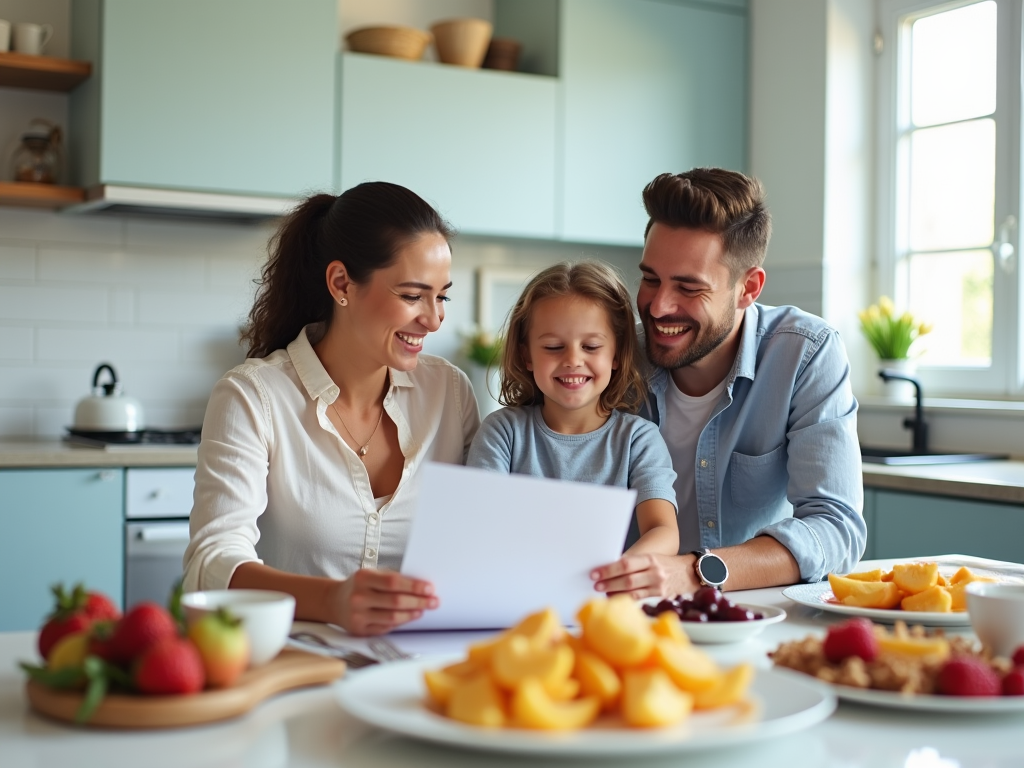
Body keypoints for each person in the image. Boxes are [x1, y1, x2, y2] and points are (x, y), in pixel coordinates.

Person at [182, 182, 480, 636]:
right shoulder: (253, 396)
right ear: (342, 283)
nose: (435, 319)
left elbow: (481, 540)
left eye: (442, 296)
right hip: (296, 664)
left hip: (420, 670)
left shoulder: (449, 393)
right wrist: (333, 601)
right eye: (412, 295)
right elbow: (211, 565)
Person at [591, 168, 865, 599]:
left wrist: (696, 572)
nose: (658, 306)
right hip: (618, 611)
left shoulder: (805, 354)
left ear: (748, 288)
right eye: (650, 279)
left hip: (749, 613)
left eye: (688, 287)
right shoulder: (610, 358)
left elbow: (836, 528)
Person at [467, 260, 680, 592]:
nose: (572, 360)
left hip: (610, 602)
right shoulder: (502, 433)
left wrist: (619, 574)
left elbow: (663, 532)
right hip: (517, 597)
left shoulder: (639, 439)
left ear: (616, 354)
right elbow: (479, 527)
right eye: (553, 347)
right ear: (526, 355)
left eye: (591, 346)